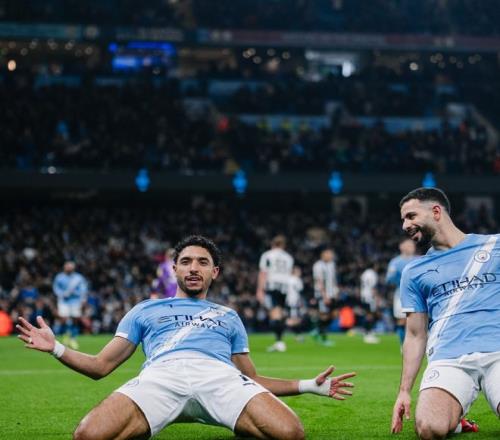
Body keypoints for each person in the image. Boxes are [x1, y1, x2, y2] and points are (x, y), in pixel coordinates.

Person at [18, 235, 356, 440]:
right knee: (89, 435)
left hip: (219, 379)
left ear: (214, 272)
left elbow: (252, 378)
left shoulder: (228, 315)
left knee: (290, 432)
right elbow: (100, 366)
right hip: (161, 377)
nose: (194, 268)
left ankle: (229, 415)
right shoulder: (145, 309)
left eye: (202, 263)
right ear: (175, 269)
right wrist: (56, 347)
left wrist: (308, 385)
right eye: (186, 262)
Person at [391, 188, 493, 438]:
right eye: (403, 219)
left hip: (497, 351)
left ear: (436, 211)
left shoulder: (494, 246)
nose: (405, 225)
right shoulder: (414, 271)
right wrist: (404, 391)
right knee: (428, 428)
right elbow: (415, 335)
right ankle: (456, 421)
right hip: (449, 357)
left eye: (411, 216)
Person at [256, 235, 294, 352]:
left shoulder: (267, 255)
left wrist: (260, 290)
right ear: (283, 245)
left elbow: (263, 273)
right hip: (285, 287)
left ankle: (279, 342)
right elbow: (289, 274)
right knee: (280, 313)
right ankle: (280, 341)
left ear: (273, 244)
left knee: (275, 314)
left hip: (272, 286)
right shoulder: (288, 257)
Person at [385, 238, 417, 347]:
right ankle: (403, 346)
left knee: (415, 321)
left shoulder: (419, 260)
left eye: (412, 245)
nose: (412, 247)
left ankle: (415, 345)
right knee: (402, 320)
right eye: (409, 245)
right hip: (401, 295)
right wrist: (395, 276)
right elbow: (389, 280)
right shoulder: (395, 262)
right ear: (401, 247)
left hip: (418, 295)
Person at [52, 261, 88, 349]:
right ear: (64, 268)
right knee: (64, 319)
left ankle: (73, 338)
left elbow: (83, 289)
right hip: (64, 301)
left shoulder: (78, 278)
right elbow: (56, 288)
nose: (69, 268)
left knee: (75, 319)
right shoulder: (59, 277)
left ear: (73, 268)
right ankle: (66, 336)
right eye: (67, 267)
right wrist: (62, 294)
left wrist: (80, 297)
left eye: (70, 267)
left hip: (75, 301)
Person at [311, 248, 338, 346]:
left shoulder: (332, 265)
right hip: (322, 294)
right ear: (324, 255)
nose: (332, 256)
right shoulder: (318, 265)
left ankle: (317, 330)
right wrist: (324, 296)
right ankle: (323, 339)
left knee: (334, 314)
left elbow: (333, 279)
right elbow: (319, 281)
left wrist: (336, 291)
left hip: (331, 293)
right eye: (330, 254)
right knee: (324, 315)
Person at [360, 264, 380, 344]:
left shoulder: (364, 273)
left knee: (368, 315)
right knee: (370, 316)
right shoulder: (372, 274)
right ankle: (368, 333)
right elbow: (373, 287)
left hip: (364, 295)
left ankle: (367, 332)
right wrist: (376, 298)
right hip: (370, 297)